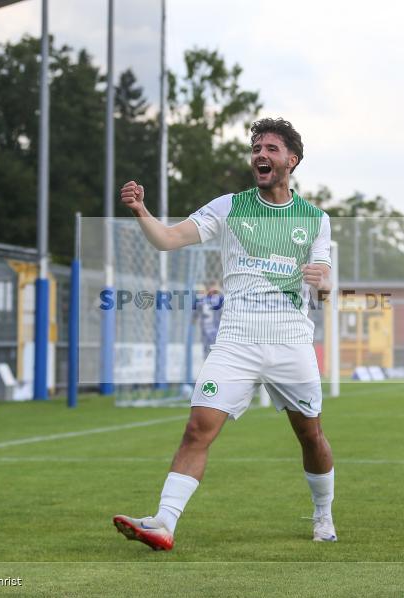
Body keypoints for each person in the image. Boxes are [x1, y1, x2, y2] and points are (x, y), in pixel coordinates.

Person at [112, 118, 337, 551]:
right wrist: (142, 212)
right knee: (198, 428)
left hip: (291, 341)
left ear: (292, 160)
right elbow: (168, 239)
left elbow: (324, 284)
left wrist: (323, 283)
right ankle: (163, 522)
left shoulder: (315, 220)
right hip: (236, 342)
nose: (260, 154)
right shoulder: (229, 206)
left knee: (310, 435)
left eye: (270, 148)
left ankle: (323, 512)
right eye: (256, 147)